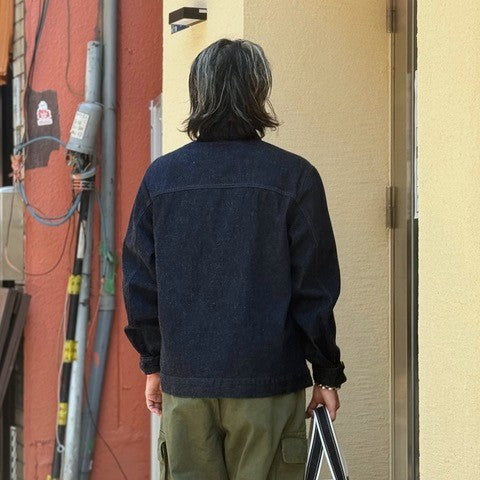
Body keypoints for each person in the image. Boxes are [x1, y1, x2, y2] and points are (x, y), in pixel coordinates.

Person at [122, 38, 347, 480]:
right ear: (258, 92)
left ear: (198, 93)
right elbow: (314, 289)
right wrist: (326, 373)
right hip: (268, 383)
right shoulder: (294, 177)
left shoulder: (160, 179)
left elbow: (140, 282)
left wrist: (154, 364)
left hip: (187, 384)